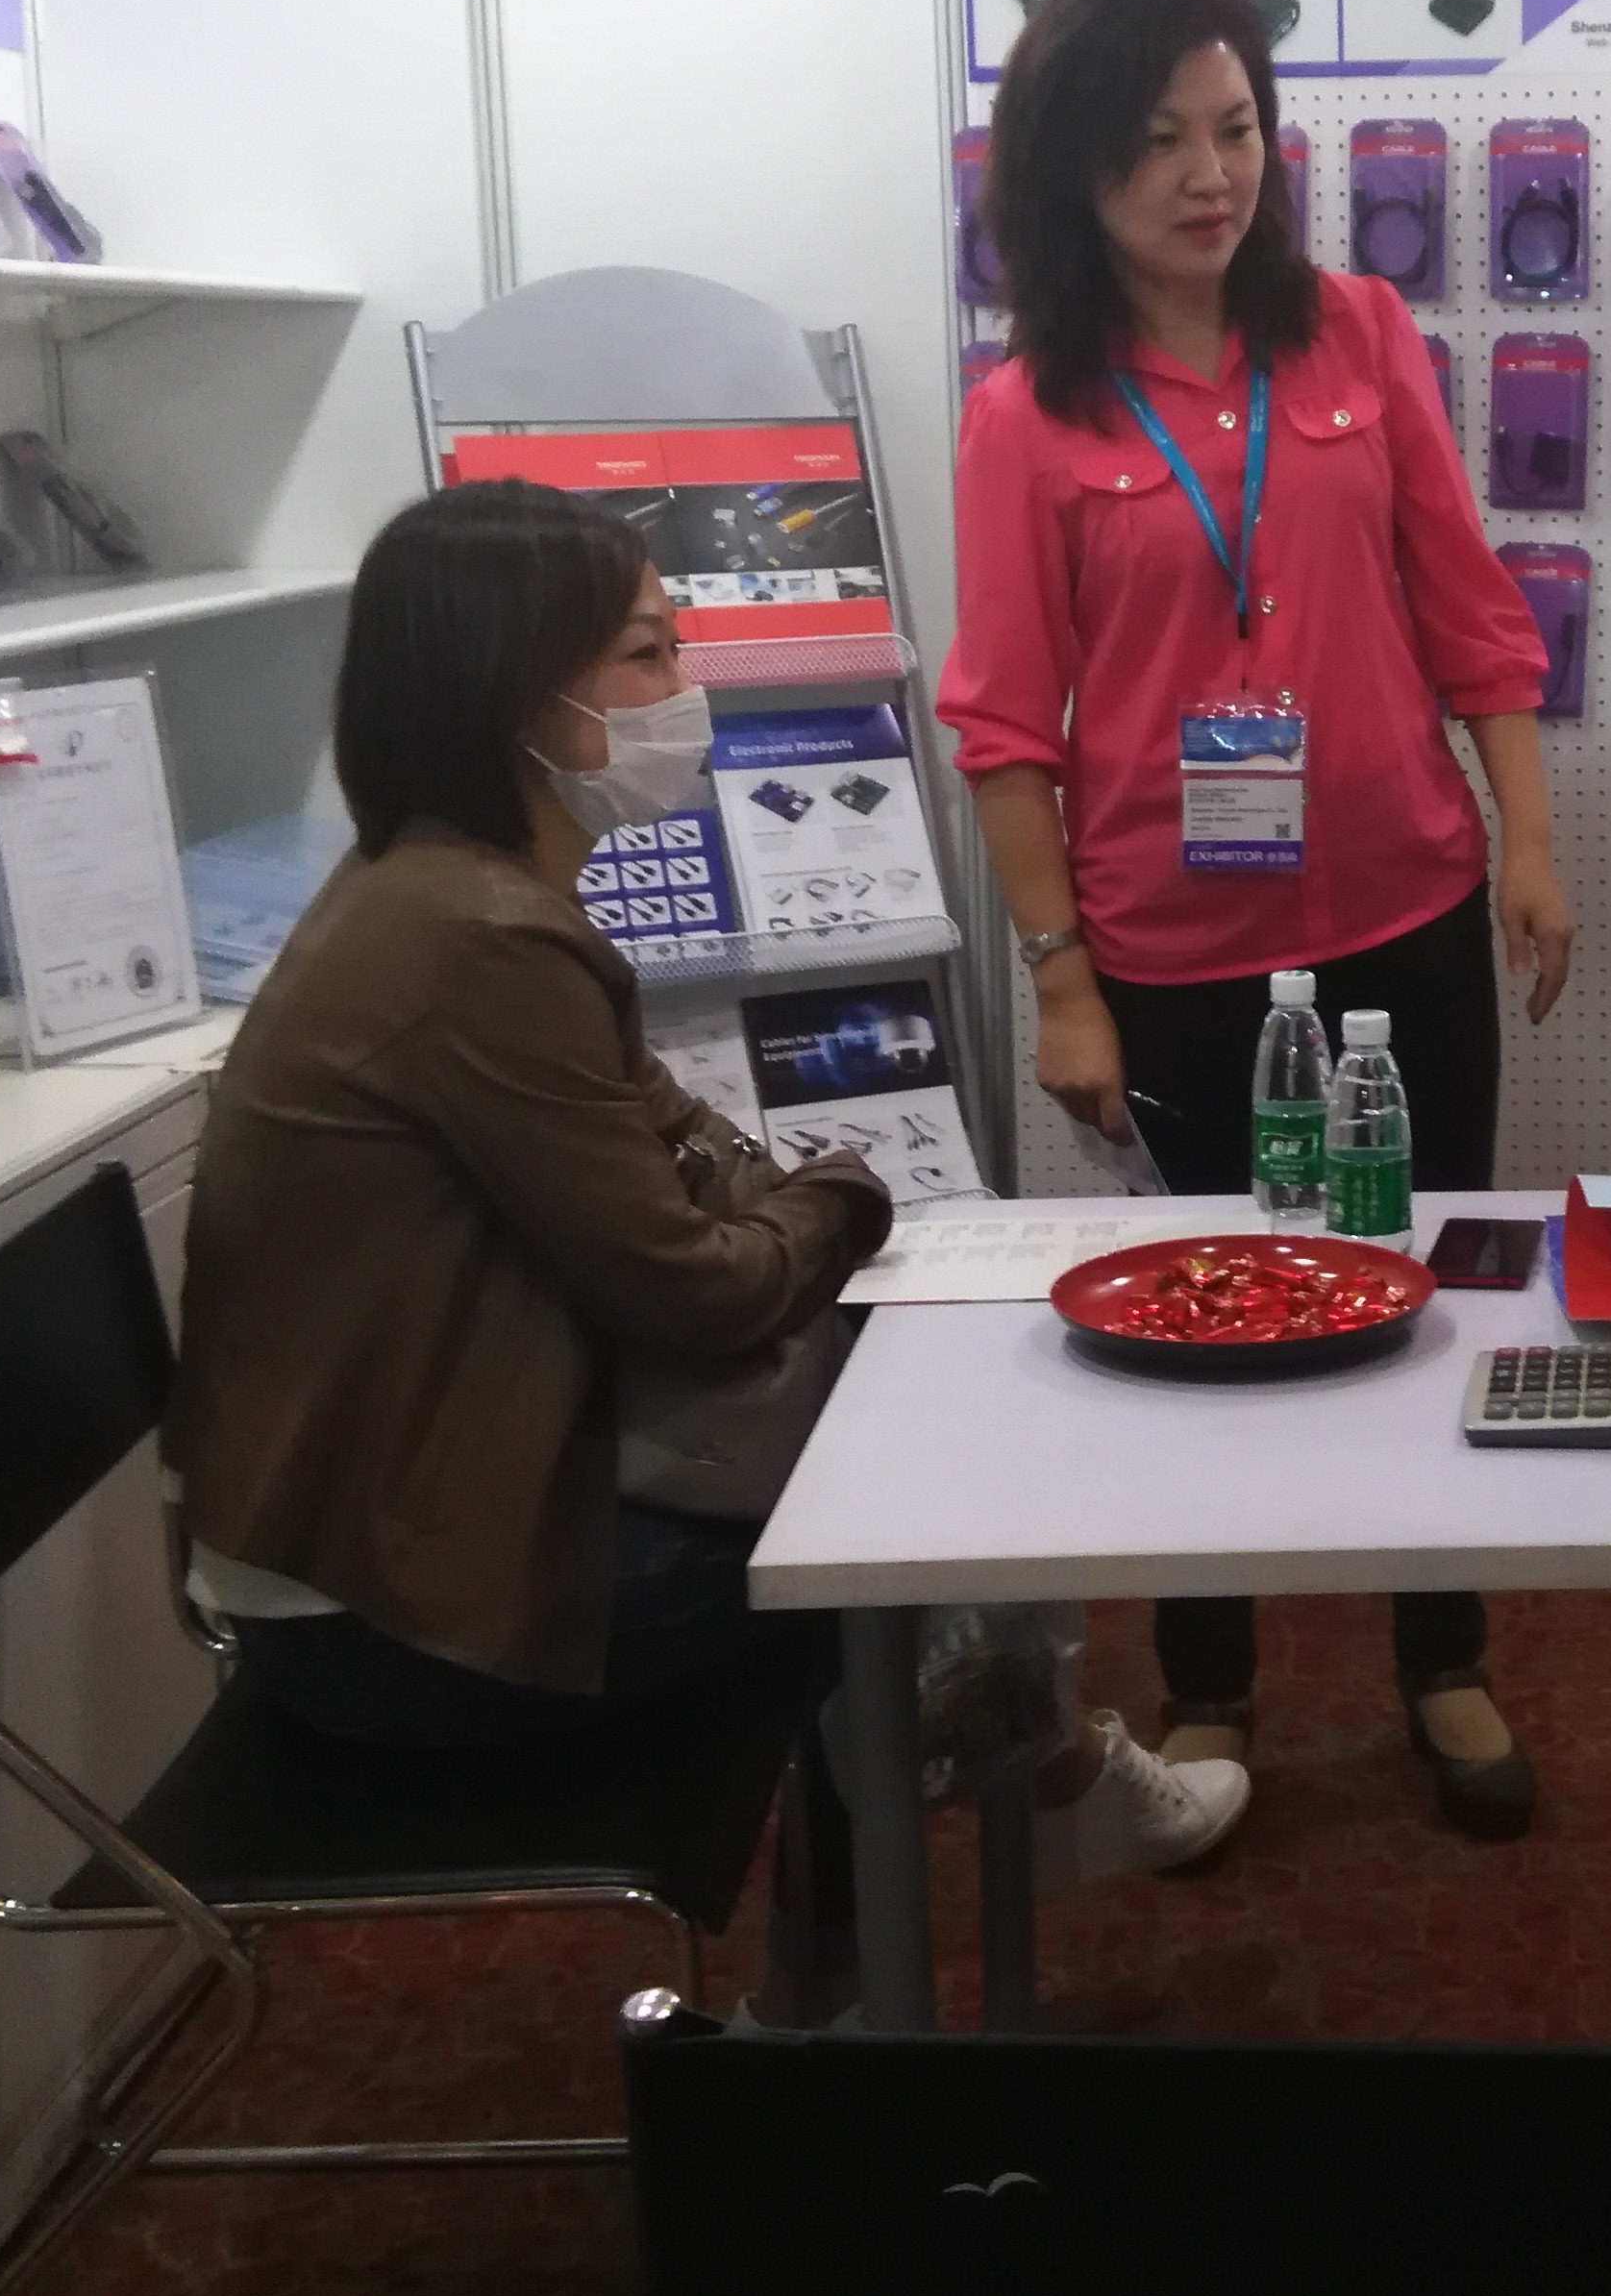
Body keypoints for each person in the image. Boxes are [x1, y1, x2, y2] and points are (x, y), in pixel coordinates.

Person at [174, 480, 1244, 1898]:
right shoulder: (477, 939)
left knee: (903, 1434)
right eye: (647, 654)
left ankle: (1004, 1817)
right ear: (519, 693)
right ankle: (975, 1862)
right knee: (905, 1527)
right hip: (395, 1606)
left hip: (404, 1521)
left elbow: (689, 1152)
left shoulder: (445, 892)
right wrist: (846, 1199)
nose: (689, 693)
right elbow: (694, 1290)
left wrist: (789, 1211)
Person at [940, 0, 1574, 1840]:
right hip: (1171, 949)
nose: (1211, 176)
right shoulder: (1026, 416)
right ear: (1073, 170)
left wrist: (1528, 842)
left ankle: (1440, 1648)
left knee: (1420, 1286)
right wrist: (1062, 982)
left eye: (1235, 131)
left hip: (1403, 910)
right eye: (1159, 143)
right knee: (1196, 1318)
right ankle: (1210, 1680)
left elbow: (1470, 609)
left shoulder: (1360, 336)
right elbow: (1002, 726)